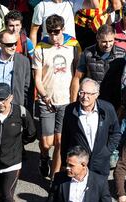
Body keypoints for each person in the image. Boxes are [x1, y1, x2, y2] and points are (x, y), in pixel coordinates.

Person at [33, 14, 81, 179]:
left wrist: (75, 98)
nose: (53, 36)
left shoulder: (73, 45)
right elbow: (37, 79)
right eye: (50, 32)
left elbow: (77, 73)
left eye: (57, 31)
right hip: (47, 100)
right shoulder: (40, 47)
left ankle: (54, 179)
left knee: (60, 142)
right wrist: (44, 96)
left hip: (66, 100)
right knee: (47, 143)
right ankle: (44, 156)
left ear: (63, 29)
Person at [0, 83, 36, 202]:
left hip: (12, 163)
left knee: (7, 196)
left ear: (11, 98)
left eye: (3, 99)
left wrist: (19, 143)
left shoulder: (21, 113)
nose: (0, 103)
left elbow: (31, 133)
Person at [61, 78, 121, 177]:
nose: (85, 97)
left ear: (97, 94)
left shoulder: (107, 109)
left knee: (98, 191)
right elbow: (65, 138)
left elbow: (115, 133)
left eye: (89, 94)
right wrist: (64, 162)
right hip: (79, 164)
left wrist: (106, 151)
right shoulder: (70, 110)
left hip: (100, 164)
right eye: (82, 93)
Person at [71, 24, 126, 111]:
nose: (108, 45)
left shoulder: (122, 54)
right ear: (97, 38)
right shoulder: (88, 53)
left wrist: (124, 103)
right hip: (92, 100)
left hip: (114, 101)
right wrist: (73, 104)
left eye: (111, 41)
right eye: (104, 41)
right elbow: (77, 78)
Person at [29, 0, 100, 46]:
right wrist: (33, 56)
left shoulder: (71, 2)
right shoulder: (41, 6)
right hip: (48, 48)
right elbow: (33, 32)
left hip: (69, 47)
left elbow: (95, 5)